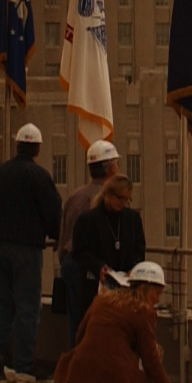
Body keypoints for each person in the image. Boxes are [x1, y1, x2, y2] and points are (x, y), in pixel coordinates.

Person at [55, 260, 192, 383]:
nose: (157, 299)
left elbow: (80, 334)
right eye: (157, 293)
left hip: (84, 365)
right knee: (157, 351)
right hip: (118, 374)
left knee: (67, 368)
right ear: (147, 289)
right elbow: (150, 359)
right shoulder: (144, 311)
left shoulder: (101, 300)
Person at [0, 123, 61, 379]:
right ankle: (23, 365)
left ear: (17, 145)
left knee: (5, 304)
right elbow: (52, 210)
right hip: (25, 249)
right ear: (37, 148)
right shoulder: (38, 176)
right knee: (28, 307)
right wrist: (57, 235)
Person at [52, 139, 124, 338]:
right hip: (93, 269)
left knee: (76, 321)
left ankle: (77, 362)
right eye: (115, 164)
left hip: (70, 262)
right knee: (96, 322)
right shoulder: (107, 200)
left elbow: (63, 234)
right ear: (110, 169)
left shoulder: (75, 196)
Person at [69, 169, 146, 307]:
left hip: (125, 286)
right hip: (94, 285)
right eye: (119, 198)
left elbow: (139, 249)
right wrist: (98, 267)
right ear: (108, 195)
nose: (123, 203)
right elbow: (80, 251)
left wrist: (133, 268)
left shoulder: (132, 219)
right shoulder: (87, 220)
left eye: (127, 199)